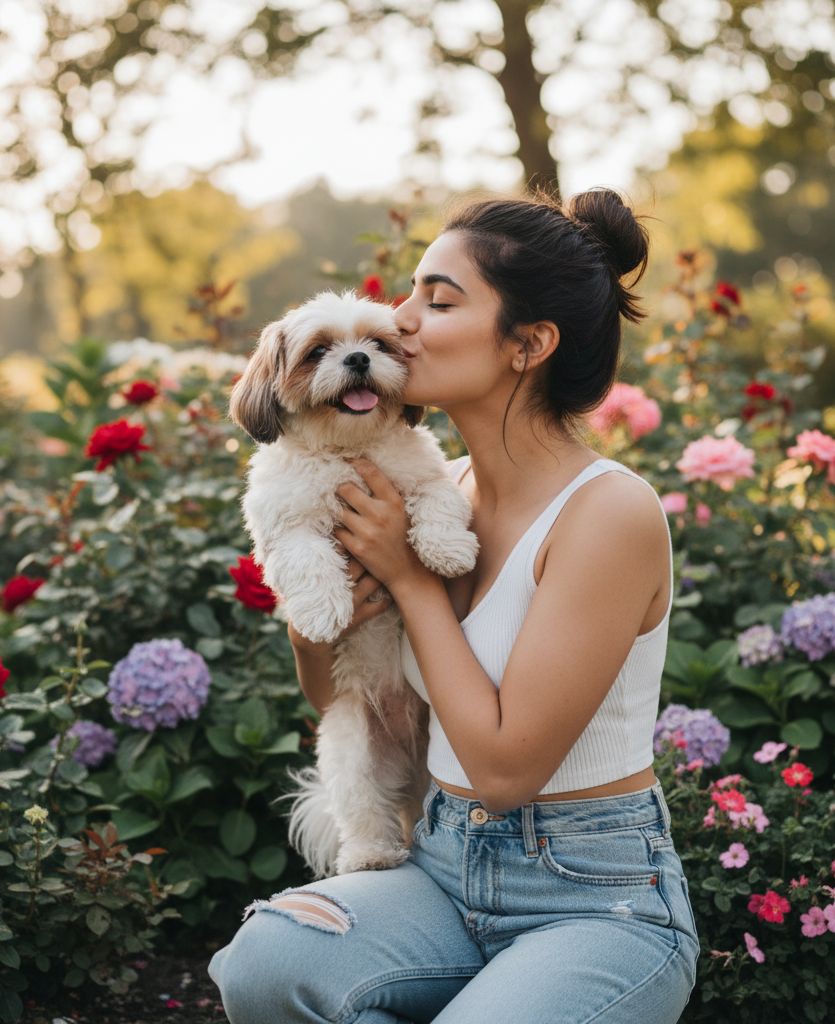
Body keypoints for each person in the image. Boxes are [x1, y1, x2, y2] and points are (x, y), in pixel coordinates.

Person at [208, 187, 701, 1023]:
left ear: (529, 344)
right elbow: (339, 696)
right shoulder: (445, 485)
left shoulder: (607, 513)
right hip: (438, 864)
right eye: (408, 294)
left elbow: (505, 771)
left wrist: (406, 578)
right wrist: (313, 616)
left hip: (591, 896)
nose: (400, 321)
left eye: (436, 300)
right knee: (262, 967)